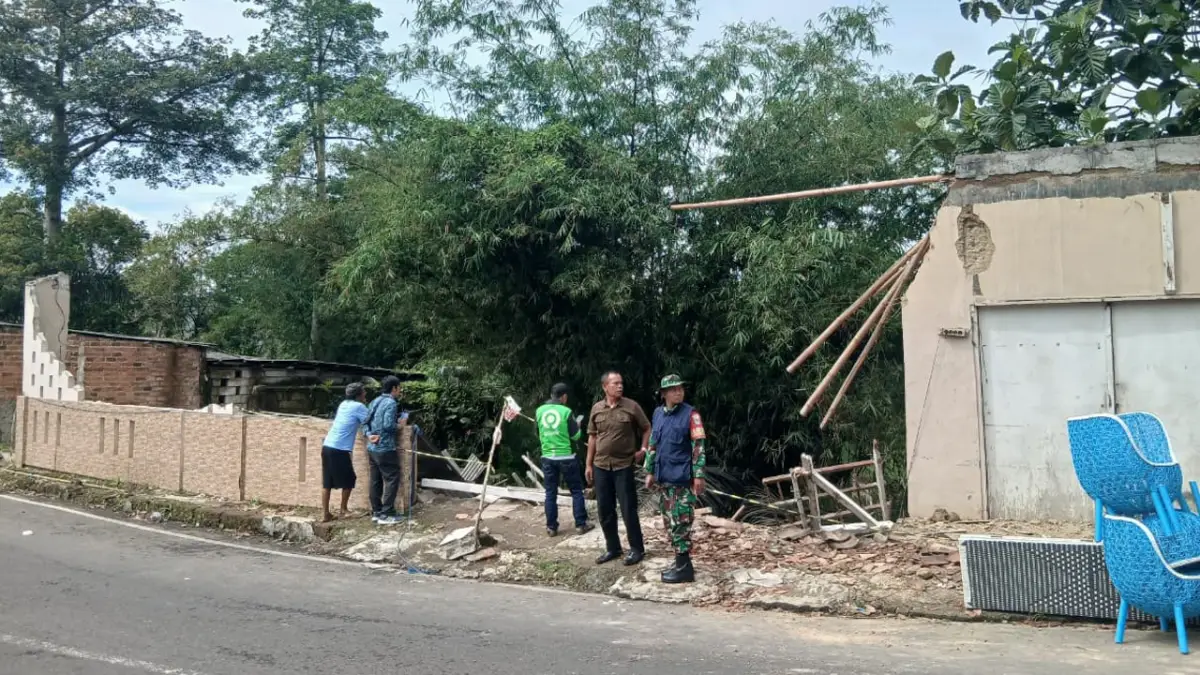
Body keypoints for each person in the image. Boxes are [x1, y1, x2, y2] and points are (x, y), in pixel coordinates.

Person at [643, 374, 707, 584]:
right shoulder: (658, 414)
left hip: (682, 479)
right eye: (673, 389)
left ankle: (685, 569)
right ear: (663, 394)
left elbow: (698, 447)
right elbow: (653, 444)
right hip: (664, 479)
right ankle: (680, 562)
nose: (678, 392)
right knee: (669, 522)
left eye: (680, 388)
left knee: (681, 522)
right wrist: (650, 471)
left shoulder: (691, 414)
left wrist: (698, 474)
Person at [586, 370, 651, 566]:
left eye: (621, 383)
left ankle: (637, 549)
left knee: (628, 508)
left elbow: (647, 427)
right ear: (605, 387)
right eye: (615, 383)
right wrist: (588, 464)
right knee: (604, 509)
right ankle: (612, 548)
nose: (620, 386)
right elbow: (592, 436)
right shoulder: (597, 408)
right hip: (601, 465)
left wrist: (644, 448)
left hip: (624, 465)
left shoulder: (631, 406)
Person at [535, 383, 594, 537]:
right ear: (564, 397)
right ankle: (581, 524)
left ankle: (551, 527)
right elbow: (576, 436)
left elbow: (537, 433)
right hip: (566, 457)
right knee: (576, 491)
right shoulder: (566, 411)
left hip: (547, 457)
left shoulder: (539, 411)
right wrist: (578, 426)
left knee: (550, 493)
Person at [320, 382, 370, 522]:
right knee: (350, 479)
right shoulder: (358, 406)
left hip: (327, 446)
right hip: (339, 449)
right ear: (358, 394)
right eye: (364, 392)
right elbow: (370, 419)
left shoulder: (343, 404)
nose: (365, 394)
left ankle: (325, 514)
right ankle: (343, 510)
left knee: (327, 482)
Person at [365, 375, 404, 525]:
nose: (400, 391)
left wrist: (369, 435)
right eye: (399, 388)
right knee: (392, 478)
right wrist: (400, 424)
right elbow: (388, 426)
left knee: (375, 480)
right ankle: (387, 513)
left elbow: (365, 422)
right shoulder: (390, 403)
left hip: (372, 448)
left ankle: (376, 512)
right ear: (394, 388)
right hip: (385, 448)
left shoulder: (375, 401)